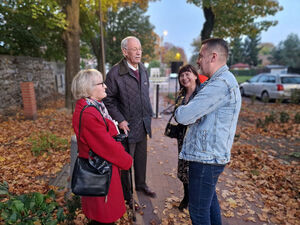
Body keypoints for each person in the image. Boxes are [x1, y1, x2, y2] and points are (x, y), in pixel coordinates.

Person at [175, 38, 241, 225]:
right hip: (208, 156)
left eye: (201, 56)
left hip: (206, 159)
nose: (198, 61)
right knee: (209, 205)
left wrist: (183, 111)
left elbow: (184, 116)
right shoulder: (218, 82)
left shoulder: (220, 85)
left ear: (213, 56)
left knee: (198, 212)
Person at [71, 69, 133, 225]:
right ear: (89, 88)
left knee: (101, 217)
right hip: (100, 172)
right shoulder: (89, 113)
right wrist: (126, 160)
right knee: (103, 219)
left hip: (100, 169)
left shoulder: (93, 107)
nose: (105, 86)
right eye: (101, 83)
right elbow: (106, 146)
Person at [103, 36, 156, 208]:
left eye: (139, 48)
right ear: (125, 52)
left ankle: (141, 184)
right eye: (134, 49)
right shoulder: (115, 73)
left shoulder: (142, 68)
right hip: (127, 126)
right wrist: (120, 120)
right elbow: (108, 100)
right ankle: (127, 195)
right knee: (126, 163)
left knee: (141, 158)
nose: (139, 52)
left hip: (143, 123)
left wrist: (149, 114)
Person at [173, 64, 207, 211]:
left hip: (197, 139)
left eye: (187, 74)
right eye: (182, 75)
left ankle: (194, 199)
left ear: (195, 75)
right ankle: (187, 196)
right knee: (183, 170)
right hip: (182, 137)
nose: (184, 78)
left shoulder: (202, 94)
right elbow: (177, 114)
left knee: (195, 170)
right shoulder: (181, 95)